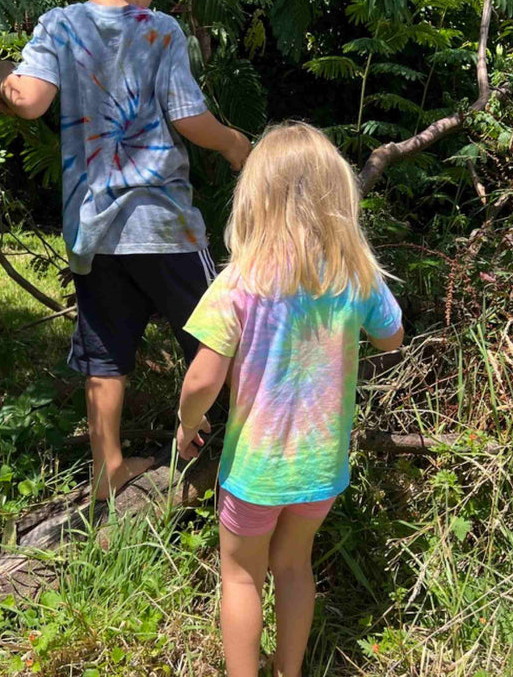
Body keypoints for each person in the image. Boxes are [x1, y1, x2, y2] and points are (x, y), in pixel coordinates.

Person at [0, 0, 251, 500]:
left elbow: (28, 100)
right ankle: (247, 441)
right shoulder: (161, 30)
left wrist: (1, 72)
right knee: (218, 334)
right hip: (163, 224)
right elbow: (189, 118)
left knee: (104, 351)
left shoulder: (59, 25)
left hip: (94, 230)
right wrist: (235, 144)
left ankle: (107, 468)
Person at [175, 122, 404, 677]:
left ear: (255, 197)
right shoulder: (355, 276)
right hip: (320, 466)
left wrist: (187, 424)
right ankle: (289, 670)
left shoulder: (241, 282)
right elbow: (392, 337)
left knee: (241, 576)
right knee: (295, 565)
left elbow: (202, 380)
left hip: (256, 471)